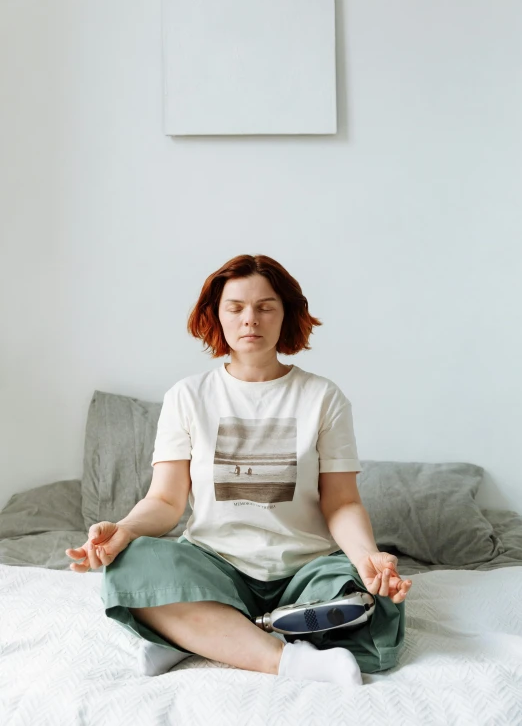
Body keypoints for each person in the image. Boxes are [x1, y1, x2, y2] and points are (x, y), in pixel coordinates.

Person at [66, 253, 412, 689]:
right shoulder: (187, 396)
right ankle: (286, 659)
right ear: (216, 315)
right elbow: (166, 500)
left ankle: (198, 634)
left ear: (286, 315)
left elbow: (341, 501)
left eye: (266, 307)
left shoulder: (323, 397)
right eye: (236, 307)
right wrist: (125, 529)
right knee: (131, 565)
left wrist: (367, 559)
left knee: (369, 598)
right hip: (214, 563)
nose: (251, 319)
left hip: (303, 571)